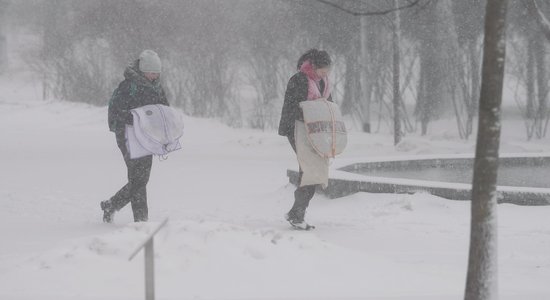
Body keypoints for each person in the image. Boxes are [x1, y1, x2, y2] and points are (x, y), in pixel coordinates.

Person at [101, 49, 169, 223]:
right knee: (138, 179)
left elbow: (164, 111)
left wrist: (165, 134)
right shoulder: (127, 86)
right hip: (126, 136)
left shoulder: (157, 88)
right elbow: (115, 112)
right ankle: (141, 222)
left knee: (141, 179)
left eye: (157, 73)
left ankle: (112, 205)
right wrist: (132, 118)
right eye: (152, 73)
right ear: (143, 71)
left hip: (147, 138)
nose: (154, 76)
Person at [278, 49, 332, 229]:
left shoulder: (324, 82)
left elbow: (329, 107)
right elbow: (293, 108)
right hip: (296, 129)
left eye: (328, 70)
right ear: (314, 66)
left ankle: (296, 213)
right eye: (323, 69)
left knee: (313, 170)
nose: (326, 73)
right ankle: (297, 214)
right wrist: (314, 109)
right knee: (309, 169)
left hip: (315, 131)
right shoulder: (298, 80)